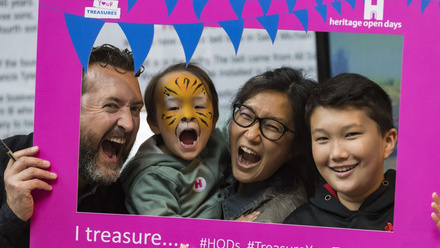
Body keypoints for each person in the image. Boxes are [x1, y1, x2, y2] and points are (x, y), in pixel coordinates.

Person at [0, 44, 144, 247]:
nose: (129, 124)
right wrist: (12, 216)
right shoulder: (3, 162)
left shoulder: (121, 196)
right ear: (65, 108)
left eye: (136, 109)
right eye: (111, 106)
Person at [284, 73, 398, 231]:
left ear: (387, 142)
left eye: (351, 135)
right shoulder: (297, 227)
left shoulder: (423, 213)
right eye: (322, 138)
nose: (337, 154)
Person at [121, 63, 229, 218]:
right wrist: (232, 232)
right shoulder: (151, 179)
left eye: (199, 106)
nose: (188, 115)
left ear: (214, 119)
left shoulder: (217, 144)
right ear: (154, 124)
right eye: (173, 108)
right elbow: (170, 235)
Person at [222, 67, 319, 223]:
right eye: (246, 115)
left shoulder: (280, 217)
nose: (251, 135)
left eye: (272, 127)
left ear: (296, 148)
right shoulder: (216, 166)